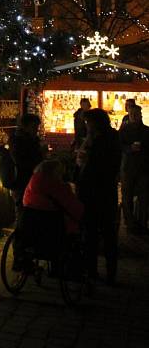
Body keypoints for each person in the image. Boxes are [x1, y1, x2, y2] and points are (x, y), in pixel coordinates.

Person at [76, 108, 121, 285]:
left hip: (100, 192)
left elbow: (108, 165)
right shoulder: (94, 138)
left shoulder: (107, 139)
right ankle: (93, 270)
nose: (86, 125)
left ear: (96, 123)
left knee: (104, 234)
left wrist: (87, 160)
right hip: (92, 192)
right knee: (92, 233)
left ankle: (107, 273)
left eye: (88, 122)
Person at [15, 160, 84, 270]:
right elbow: (76, 209)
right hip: (54, 234)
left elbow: (25, 203)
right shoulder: (60, 187)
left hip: (31, 230)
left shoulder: (31, 185)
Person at [119, 104, 149, 235]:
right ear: (128, 116)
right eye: (132, 115)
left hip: (143, 167)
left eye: (136, 115)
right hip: (128, 167)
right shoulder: (124, 131)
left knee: (144, 197)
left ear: (140, 115)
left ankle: (141, 223)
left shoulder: (147, 131)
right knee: (127, 197)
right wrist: (129, 149)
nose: (135, 117)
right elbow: (119, 146)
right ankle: (130, 223)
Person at [9, 113, 45, 214]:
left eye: (37, 127)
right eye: (34, 126)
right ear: (25, 126)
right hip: (22, 180)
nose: (36, 129)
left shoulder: (32, 139)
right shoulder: (18, 140)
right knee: (23, 208)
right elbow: (20, 160)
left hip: (31, 179)